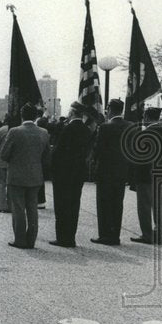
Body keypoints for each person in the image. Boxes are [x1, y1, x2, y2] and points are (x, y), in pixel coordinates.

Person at [0, 103, 50, 249]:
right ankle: (31, 239)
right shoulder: (44, 132)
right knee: (32, 209)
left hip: (16, 176)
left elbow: (4, 154)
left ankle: (20, 240)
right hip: (35, 176)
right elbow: (46, 157)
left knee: (18, 208)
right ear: (35, 116)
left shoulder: (15, 132)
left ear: (22, 115)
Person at [49, 102, 96, 248]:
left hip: (64, 173)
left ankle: (62, 237)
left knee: (62, 205)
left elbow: (58, 152)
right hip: (78, 172)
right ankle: (71, 236)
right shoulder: (86, 130)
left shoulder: (68, 129)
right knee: (74, 204)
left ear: (72, 113)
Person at [89, 98, 132, 245]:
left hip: (106, 171)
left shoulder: (105, 127)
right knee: (117, 203)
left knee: (104, 203)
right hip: (122, 170)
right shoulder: (130, 126)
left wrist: (94, 164)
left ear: (110, 109)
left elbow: (98, 149)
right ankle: (115, 235)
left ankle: (105, 234)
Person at [128, 106, 162, 244]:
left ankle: (147, 235)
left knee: (144, 207)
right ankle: (160, 236)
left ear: (147, 118)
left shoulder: (145, 133)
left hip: (146, 176)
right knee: (159, 207)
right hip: (161, 174)